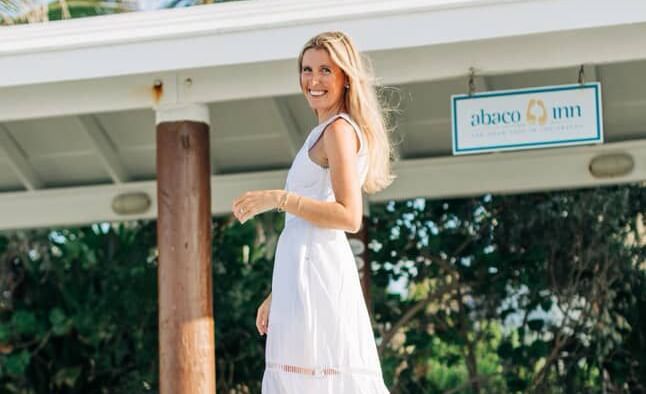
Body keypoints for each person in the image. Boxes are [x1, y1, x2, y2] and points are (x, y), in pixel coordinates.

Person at [232, 31, 395, 393]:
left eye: (325, 70)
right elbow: (308, 225)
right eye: (307, 69)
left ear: (345, 78)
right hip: (303, 274)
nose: (314, 80)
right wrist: (278, 291)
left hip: (318, 276)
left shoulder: (338, 131)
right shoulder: (323, 131)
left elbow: (349, 215)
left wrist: (279, 198)